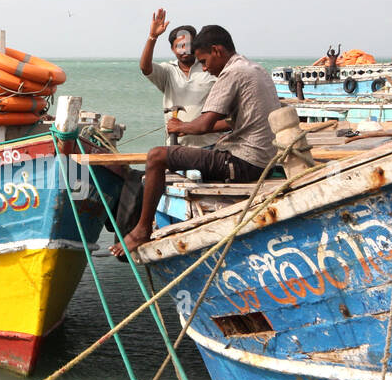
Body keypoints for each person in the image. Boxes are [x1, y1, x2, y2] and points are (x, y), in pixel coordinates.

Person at [112, 24, 280, 256]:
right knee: (172, 163)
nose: (205, 68)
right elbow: (231, 121)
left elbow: (204, 125)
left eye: (204, 61)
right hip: (261, 160)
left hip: (243, 163)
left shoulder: (232, 73)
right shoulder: (254, 68)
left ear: (217, 50)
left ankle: (141, 230)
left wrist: (180, 126)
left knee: (156, 156)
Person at [139, 9, 221, 147]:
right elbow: (145, 68)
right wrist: (152, 37)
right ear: (172, 49)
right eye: (179, 46)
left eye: (188, 45)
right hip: (176, 144)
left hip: (210, 145)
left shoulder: (209, 68)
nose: (184, 50)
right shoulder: (168, 71)